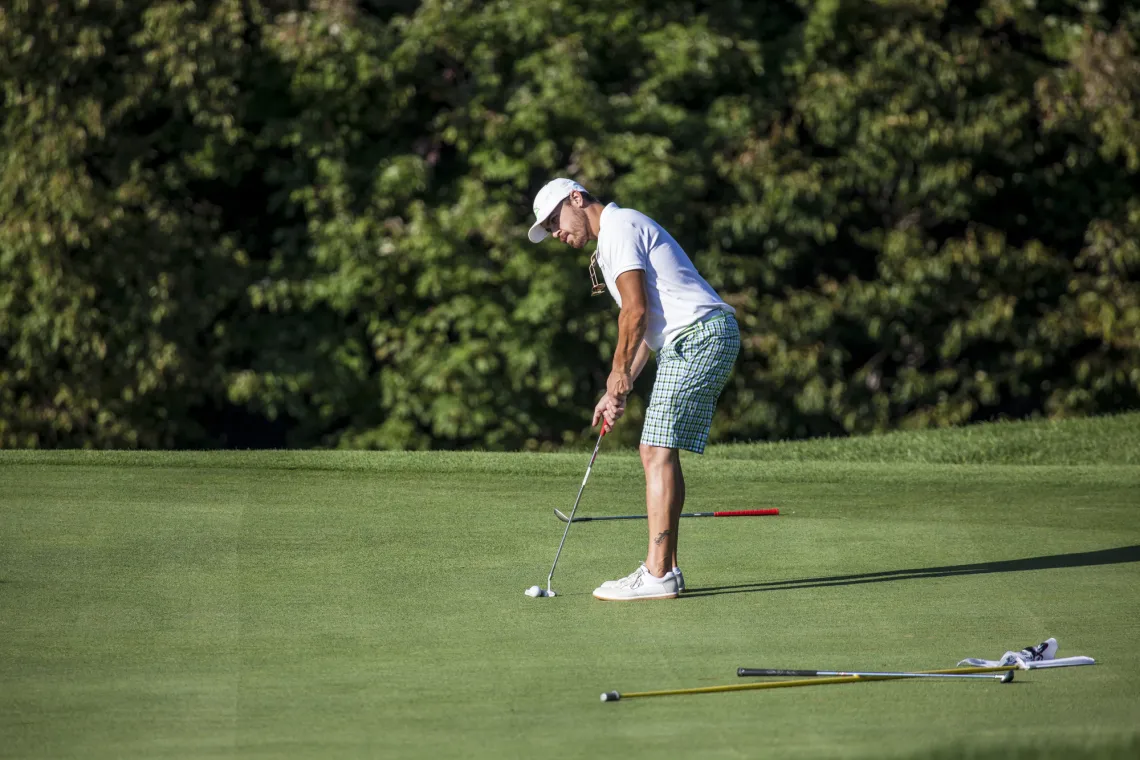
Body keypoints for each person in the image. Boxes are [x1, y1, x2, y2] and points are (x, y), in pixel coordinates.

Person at [527, 178, 740, 601]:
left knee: (655, 449)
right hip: (692, 338)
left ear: (577, 198)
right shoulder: (614, 239)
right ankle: (667, 570)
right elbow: (646, 326)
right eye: (549, 229)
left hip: (699, 336)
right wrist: (619, 388)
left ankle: (658, 573)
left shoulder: (619, 228)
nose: (557, 234)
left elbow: (636, 312)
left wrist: (616, 370)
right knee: (657, 449)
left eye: (556, 221)